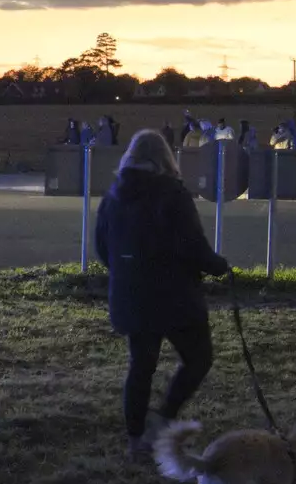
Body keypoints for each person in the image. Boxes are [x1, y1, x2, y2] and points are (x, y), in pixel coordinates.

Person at [95, 130, 230, 460]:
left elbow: (102, 248)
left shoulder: (113, 197)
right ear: (165, 159)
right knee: (198, 359)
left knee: (141, 365)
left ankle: (135, 437)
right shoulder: (172, 194)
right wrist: (218, 267)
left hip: (132, 294)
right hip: (175, 297)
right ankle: (164, 416)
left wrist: (126, 273)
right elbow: (192, 245)